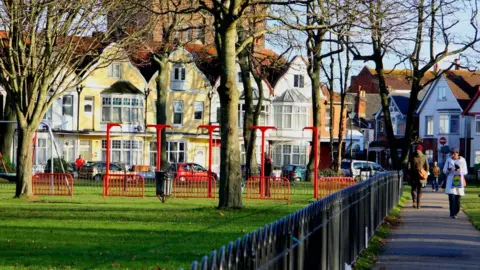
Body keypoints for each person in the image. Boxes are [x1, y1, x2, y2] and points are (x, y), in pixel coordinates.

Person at [443, 148, 468, 219]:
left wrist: (459, 170)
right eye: (452, 153)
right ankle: (452, 213)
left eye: (454, 153)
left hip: (459, 179)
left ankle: (456, 211)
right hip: (451, 179)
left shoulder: (462, 160)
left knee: (457, 198)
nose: (453, 154)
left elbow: (465, 171)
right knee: (451, 197)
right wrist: (449, 170)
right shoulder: (448, 160)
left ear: (458, 153)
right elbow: (444, 170)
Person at [408, 145, 429, 209]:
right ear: (421, 149)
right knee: (419, 189)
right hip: (420, 175)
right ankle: (418, 204)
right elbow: (427, 166)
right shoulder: (424, 156)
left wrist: (409, 173)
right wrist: (425, 173)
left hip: (413, 175)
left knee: (413, 189)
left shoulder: (412, 156)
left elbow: (408, 166)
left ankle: (414, 201)